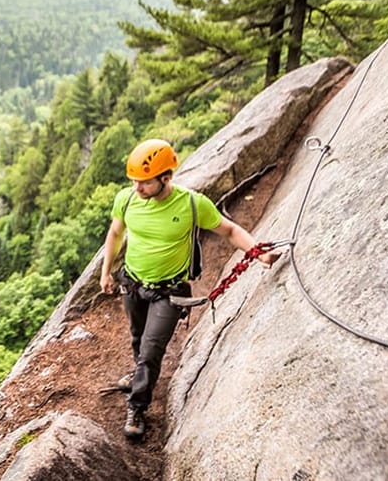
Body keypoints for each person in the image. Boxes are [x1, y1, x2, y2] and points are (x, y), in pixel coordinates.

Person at [100, 138, 279, 439]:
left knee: (151, 349)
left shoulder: (191, 204)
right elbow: (116, 233)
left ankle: (138, 406)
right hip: (132, 283)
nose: (137, 189)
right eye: (133, 182)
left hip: (169, 293)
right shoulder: (127, 200)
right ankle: (138, 375)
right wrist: (106, 272)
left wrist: (257, 252)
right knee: (137, 337)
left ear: (165, 178)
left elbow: (230, 229)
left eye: (144, 183)